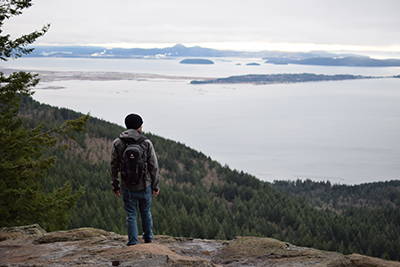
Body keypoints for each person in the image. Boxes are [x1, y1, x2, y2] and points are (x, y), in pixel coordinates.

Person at [111, 113, 160, 246]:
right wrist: (155, 186)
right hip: (145, 185)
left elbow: (114, 166)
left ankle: (133, 241)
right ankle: (148, 239)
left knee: (131, 214)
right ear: (139, 126)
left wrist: (115, 185)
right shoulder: (146, 143)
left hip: (127, 185)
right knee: (146, 212)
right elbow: (153, 166)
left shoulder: (117, 142)